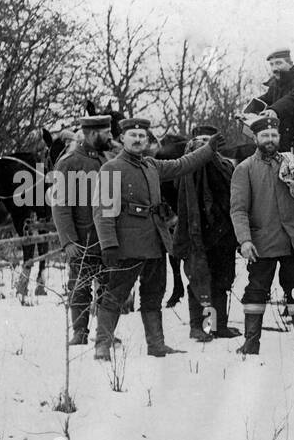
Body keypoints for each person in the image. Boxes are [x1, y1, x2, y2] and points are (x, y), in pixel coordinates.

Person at [93, 117, 224, 359]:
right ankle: (102, 345)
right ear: (122, 138)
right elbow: (103, 210)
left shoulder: (151, 165)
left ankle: (156, 344)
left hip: (155, 242)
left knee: (153, 294)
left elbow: (182, 164)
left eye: (143, 136)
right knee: (116, 294)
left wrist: (208, 149)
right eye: (133, 135)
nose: (138, 139)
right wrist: (108, 243)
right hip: (126, 244)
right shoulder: (111, 169)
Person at [229, 112, 294, 357]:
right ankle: (252, 343)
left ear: (279, 136)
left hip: (292, 240)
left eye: (273, 134)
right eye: (264, 135)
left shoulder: (291, 162)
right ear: (256, 139)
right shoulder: (245, 169)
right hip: (263, 242)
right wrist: (245, 240)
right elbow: (238, 209)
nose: (269, 139)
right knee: (256, 290)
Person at [50, 113, 114, 343]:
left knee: (107, 287)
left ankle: (105, 334)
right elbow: (60, 206)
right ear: (93, 134)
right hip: (82, 240)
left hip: (106, 239)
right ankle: (79, 332)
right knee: (79, 287)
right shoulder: (69, 163)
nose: (111, 136)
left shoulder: (106, 160)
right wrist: (67, 240)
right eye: (106, 133)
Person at [172, 125, 239, 342]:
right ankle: (201, 327)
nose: (202, 144)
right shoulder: (187, 166)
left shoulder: (225, 165)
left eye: (206, 140)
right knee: (200, 281)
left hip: (224, 233)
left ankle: (218, 326)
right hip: (199, 232)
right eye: (199, 140)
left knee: (222, 281)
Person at [243, 49, 294, 155]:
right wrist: (248, 112)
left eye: (278, 63)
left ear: (290, 64)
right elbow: (267, 98)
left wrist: (274, 110)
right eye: (271, 64)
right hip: (280, 138)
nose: (274, 68)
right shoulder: (275, 83)